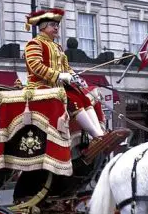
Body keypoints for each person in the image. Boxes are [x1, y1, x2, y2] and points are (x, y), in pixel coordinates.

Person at [23, 8, 109, 153]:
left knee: (83, 97)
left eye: (57, 25)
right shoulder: (34, 44)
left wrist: (75, 77)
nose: (56, 27)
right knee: (71, 99)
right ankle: (96, 137)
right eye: (52, 25)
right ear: (43, 27)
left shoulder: (58, 47)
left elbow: (66, 68)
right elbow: (35, 66)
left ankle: (99, 134)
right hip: (40, 86)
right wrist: (60, 76)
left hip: (58, 86)